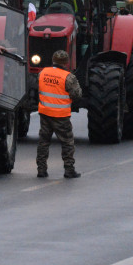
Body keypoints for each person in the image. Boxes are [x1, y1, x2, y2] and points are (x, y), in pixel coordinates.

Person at [36, 50, 83, 179]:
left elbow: (37, 87)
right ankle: (69, 170)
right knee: (67, 142)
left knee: (43, 142)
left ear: (53, 60)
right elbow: (77, 95)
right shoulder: (68, 77)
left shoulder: (42, 73)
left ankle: (41, 170)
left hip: (45, 113)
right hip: (61, 115)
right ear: (66, 63)